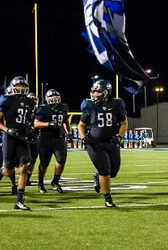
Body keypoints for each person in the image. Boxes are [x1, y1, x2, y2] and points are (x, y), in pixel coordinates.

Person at [78, 79, 127, 207]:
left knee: (114, 172)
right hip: (95, 143)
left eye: (99, 92)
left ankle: (97, 176)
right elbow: (81, 125)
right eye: (94, 91)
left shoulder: (117, 104)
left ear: (107, 92)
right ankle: (108, 198)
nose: (95, 94)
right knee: (105, 171)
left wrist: (119, 136)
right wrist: (83, 138)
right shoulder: (88, 105)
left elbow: (124, 123)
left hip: (112, 142)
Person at [0, 76, 34, 210]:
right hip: (9, 137)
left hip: (22, 137)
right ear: (13, 87)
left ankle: (19, 200)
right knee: (8, 170)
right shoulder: (6, 100)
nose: (21, 88)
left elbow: (28, 119)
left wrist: (30, 127)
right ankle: (2, 172)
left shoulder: (30, 101)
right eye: (19, 86)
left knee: (24, 166)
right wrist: (8, 129)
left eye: (23, 86)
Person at [34, 88, 71, 193]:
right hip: (45, 139)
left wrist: (69, 133)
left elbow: (65, 121)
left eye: (56, 96)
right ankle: (40, 182)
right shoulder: (43, 109)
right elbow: (36, 124)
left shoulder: (63, 107)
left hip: (59, 138)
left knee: (61, 160)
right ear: (47, 99)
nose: (54, 98)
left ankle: (55, 181)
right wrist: (48, 124)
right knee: (44, 163)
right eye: (51, 97)